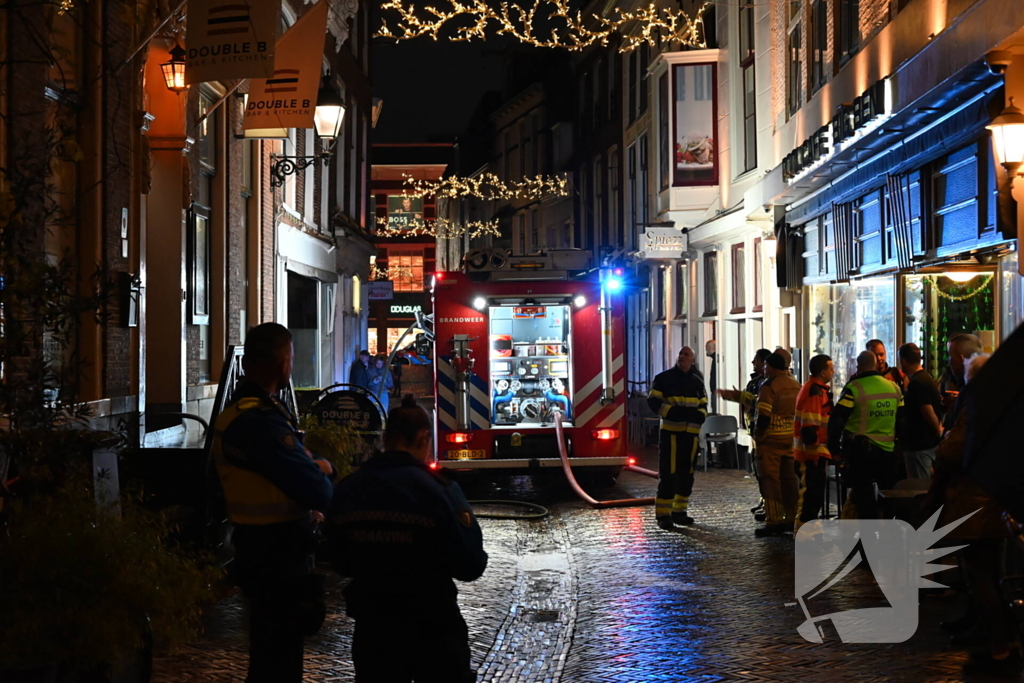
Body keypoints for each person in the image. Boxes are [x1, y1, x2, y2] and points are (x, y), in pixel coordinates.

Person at [325, 394, 487, 683]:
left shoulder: (351, 488)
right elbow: (471, 564)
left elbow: (337, 559)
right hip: (433, 628)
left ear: (385, 438)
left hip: (374, 629)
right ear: (424, 437)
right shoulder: (440, 489)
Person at [212, 323, 341, 683]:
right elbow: (316, 489)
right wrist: (324, 469)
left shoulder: (238, 413)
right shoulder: (262, 422)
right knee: (279, 660)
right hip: (278, 555)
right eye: (291, 358)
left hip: (255, 549)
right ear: (283, 363)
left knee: (269, 653)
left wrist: (308, 465)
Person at [827, 350, 903, 520]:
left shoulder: (854, 388)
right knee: (887, 494)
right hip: (888, 451)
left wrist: (835, 448)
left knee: (864, 496)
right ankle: (887, 529)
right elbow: (903, 420)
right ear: (875, 364)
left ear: (858, 366)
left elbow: (837, 420)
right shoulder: (894, 388)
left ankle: (868, 533)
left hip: (860, 451)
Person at [647, 346, 708, 529]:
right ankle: (663, 515)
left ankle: (679, 511)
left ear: (692, 360)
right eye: (681, 354)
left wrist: (699, 416)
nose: (682, 356)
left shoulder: (697, 381)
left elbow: (703, 404)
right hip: (671, 434)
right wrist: (673, 413)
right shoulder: (663, 378)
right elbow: (653, 401)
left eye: (686, 354)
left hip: (691, 436)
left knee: (687, 474)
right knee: (669, 474)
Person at [752, 349, 802, 537]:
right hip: (790, 440)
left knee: (770, 480)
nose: (764, 369)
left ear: (771, 367)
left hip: (771, 441)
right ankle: (791, 517)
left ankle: (774, 520)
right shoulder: (795, 385)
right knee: (789, 480)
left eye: (765, 365)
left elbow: (764, 415)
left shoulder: (769, 385)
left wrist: (759, 436)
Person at [718, 348, 772, 520]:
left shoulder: (769, 384)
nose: (753, 363)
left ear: (765, 363)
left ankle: (770, 506)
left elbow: (757, 402)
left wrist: (737, 396)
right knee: (759, 469)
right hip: (754, 432)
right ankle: (764, 500)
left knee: (767, 471)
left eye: (756, 360)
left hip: (766, 433)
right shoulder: (754, 382)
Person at [793, 354, 834, 532]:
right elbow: (809, 427)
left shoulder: (816, 390)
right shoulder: (815, 392)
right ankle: (804, 533)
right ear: (823, 372)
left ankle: (812, 532)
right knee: (809, 496)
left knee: (814, 496)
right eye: (831, 369)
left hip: (812, 452)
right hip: (810, 454)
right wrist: (813, 454)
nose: (833, 372)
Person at [897, 343, 943, 479]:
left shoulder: (917, 383)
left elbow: (928, 412)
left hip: (919, 446)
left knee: (919, 486)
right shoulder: (925, 378)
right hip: (925, 444)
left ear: (903, 360)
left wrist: (937, 431)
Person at [939, 333, 983, 430]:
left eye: (950, 356)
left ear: (961, 358)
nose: (949, 361)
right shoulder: (949, 375)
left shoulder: (972, 392)